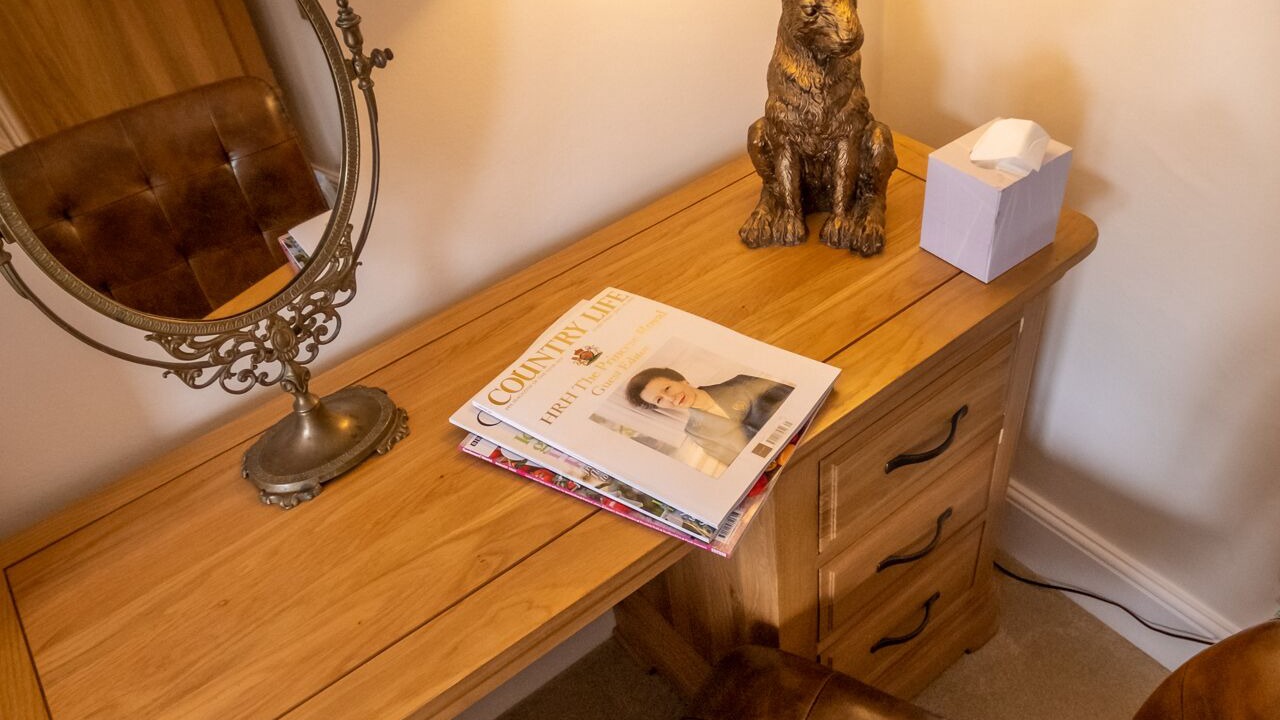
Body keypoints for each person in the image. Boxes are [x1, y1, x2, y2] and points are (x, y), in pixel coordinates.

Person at [625, 367, 793, 466]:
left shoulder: (740, 382)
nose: (670, 398)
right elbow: (735, 464)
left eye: (667, 389)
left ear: (682, 380)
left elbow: (796, 399)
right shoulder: (694, 432)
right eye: (659, 400)